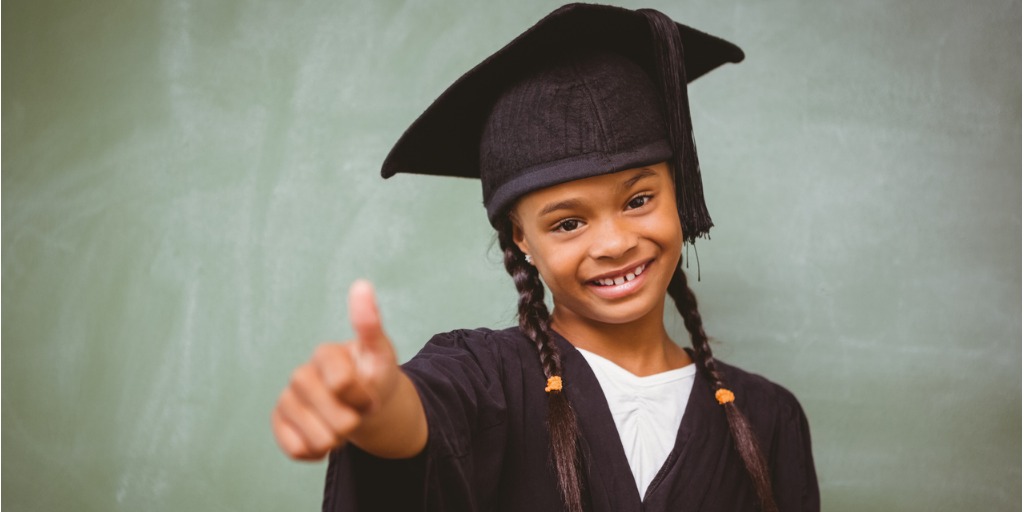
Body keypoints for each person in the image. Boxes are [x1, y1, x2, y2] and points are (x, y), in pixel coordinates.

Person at [271, 4, 819, 512]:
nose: (614, 242)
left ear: (680, 192)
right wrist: (376, 408)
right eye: (568, 223)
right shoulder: (487, 377)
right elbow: (422, 420)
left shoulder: (767, 416)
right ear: (521, 240)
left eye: (638, 199)